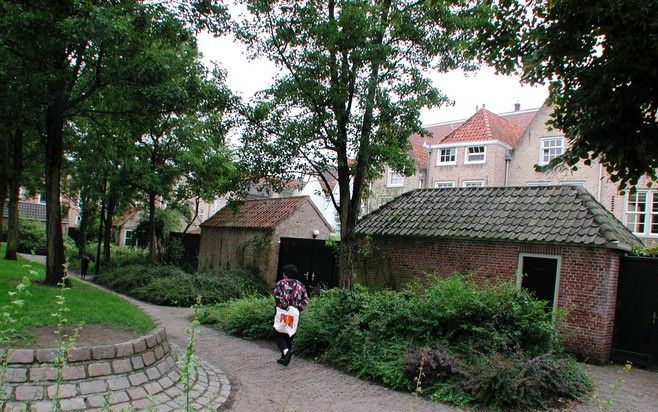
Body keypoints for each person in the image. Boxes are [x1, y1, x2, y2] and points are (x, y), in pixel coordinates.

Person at [273, 264, 309, 366]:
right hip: (294, 314)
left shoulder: (281, 283)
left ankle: (286, 352)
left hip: (282, 312)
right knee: (289, 333)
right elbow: (305, 300)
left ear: (285, 274)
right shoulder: (300, 285)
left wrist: (285, 306)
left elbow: (276, 295)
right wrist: (297, 308)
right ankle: (284, 358)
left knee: (278, 332)